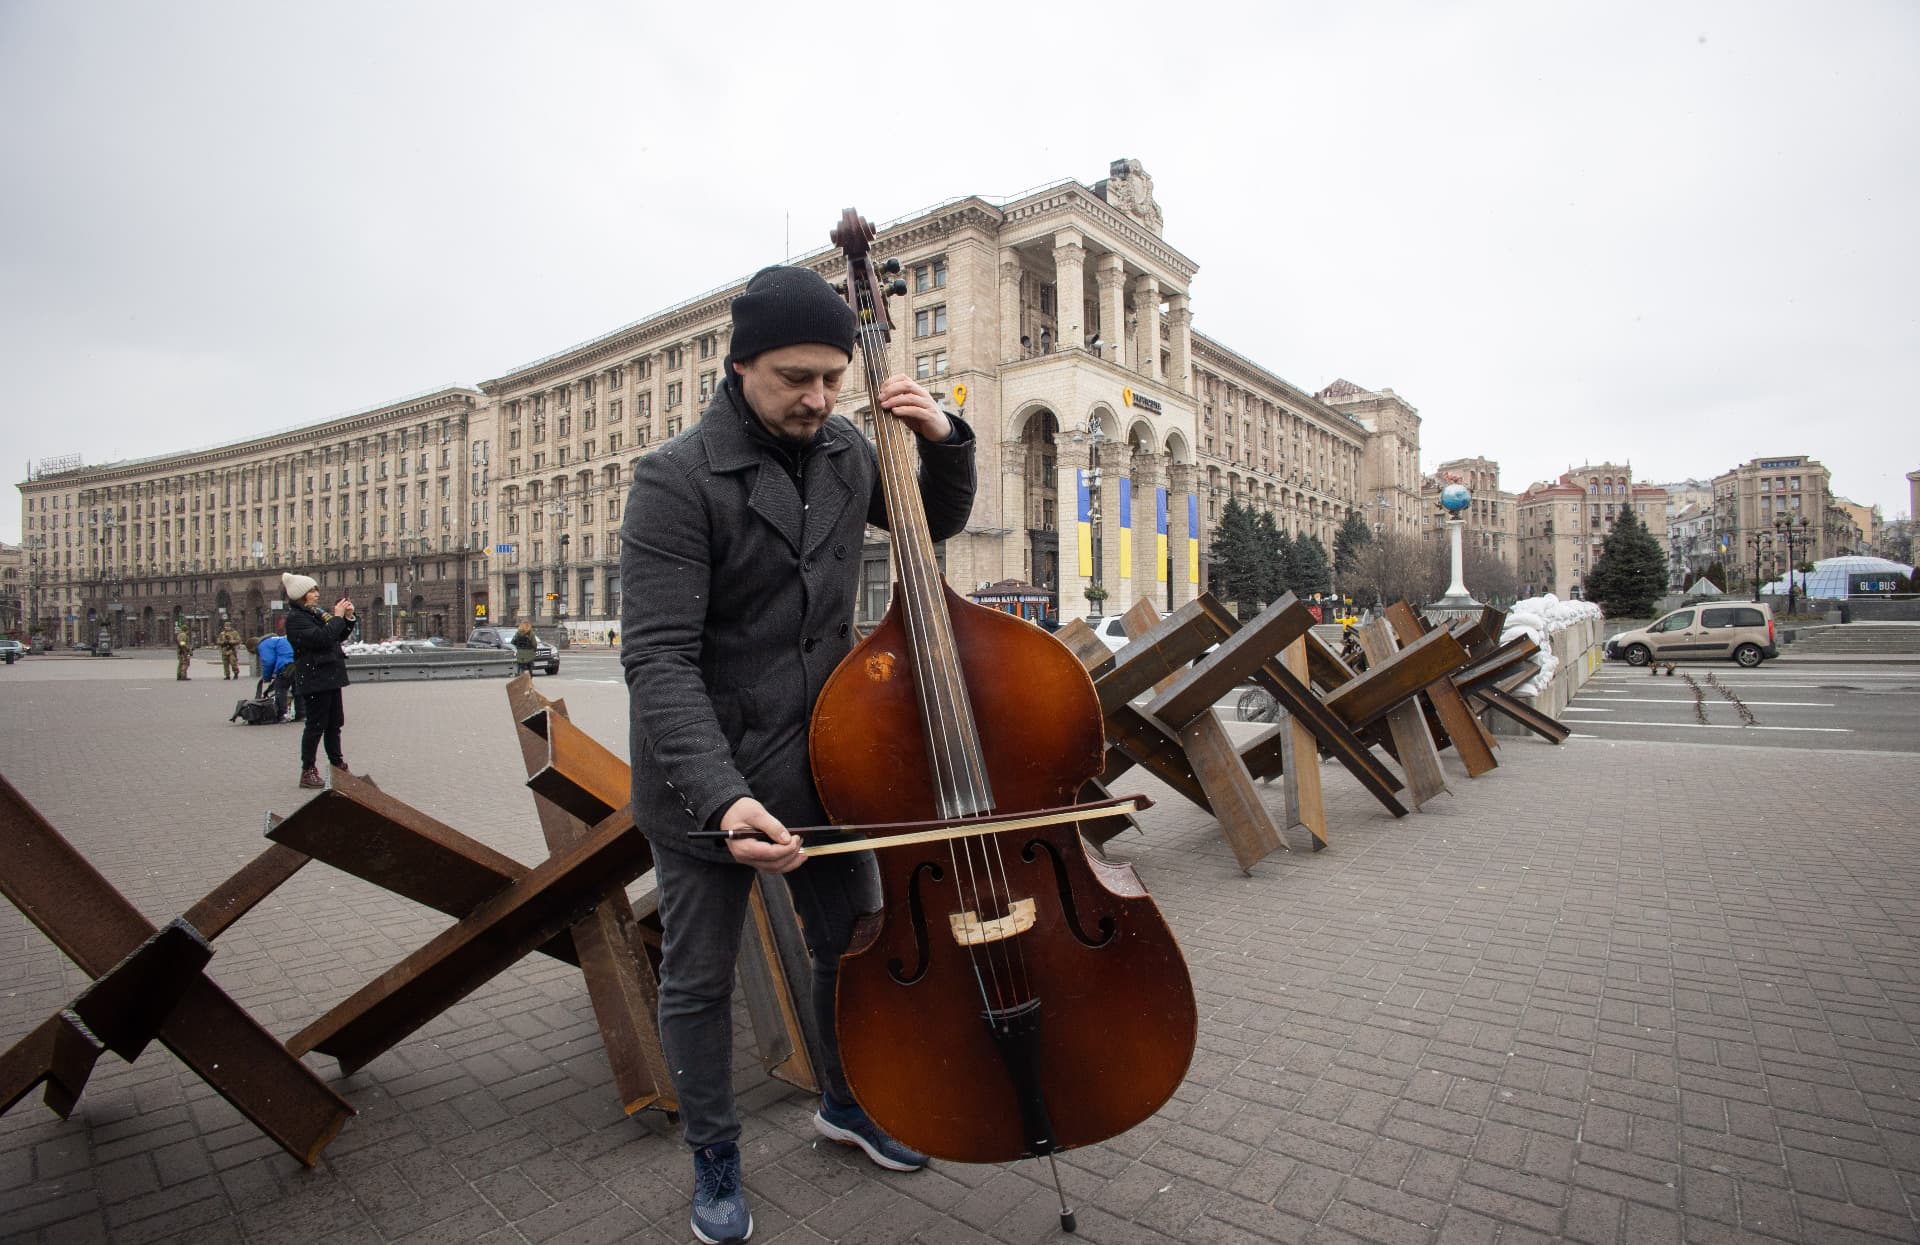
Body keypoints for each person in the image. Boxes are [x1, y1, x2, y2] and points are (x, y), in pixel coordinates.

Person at [622, 265, 976, 1245]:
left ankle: (847, 1102)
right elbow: (657, 660)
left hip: (827, 758)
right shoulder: (675, 479)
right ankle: (715, 1154)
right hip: (707, 774)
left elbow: (933, 524)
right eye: (795, 378)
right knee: (699, 976)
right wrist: (722, 799)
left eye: (832, 378)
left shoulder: (849, 449)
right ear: (740, 367)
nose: (818, 398)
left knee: (852, 946)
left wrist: (944, 440)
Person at [283, 572, 357, 788]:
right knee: (316, 726)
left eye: (316, 590)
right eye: (312, 591)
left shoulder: (315, 613)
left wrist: (347, 618)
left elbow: (337, 635)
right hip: (315, 678)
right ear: (301, 595)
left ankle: (337, 766)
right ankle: (307, 771)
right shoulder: (296, 618)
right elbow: (322, 638)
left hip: (329, 676)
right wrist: (337, 617)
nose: (316, 594)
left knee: (334, 724)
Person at [257, 631, 297, 720]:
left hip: (286, 666)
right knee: (297, 689)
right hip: (298, 663)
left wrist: (266, 677)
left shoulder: (263, 645)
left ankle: (281, 714)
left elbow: (268, 661)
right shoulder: (279, 639)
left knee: (281, 689)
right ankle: (301, 714)